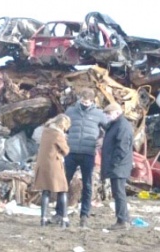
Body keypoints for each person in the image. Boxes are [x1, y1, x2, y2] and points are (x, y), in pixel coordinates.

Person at [54, 88, 106, 227]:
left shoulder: (99, 114)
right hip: (71, 152)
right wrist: (62, 136)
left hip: (88, 153)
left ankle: (84, 215)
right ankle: (59, 212)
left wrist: (101, 141)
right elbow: (61, 126)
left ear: (92, 101)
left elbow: (109, 129)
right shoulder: (71, 111)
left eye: (87, 102)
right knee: (64, 182)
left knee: (87, 185)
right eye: (82, 101)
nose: (84, 103)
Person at [33, 114, 72, 228]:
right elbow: (66, 151)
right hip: (54, 165)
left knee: (46, 191)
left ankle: (43, 219)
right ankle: (64, 218)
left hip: (42, 164)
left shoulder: (46, 131)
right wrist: (65, 140)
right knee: (62, 190)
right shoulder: (58, 135)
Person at [101, 102, 134, 230]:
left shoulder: (122, 125)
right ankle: (125, 218)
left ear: (117, 113)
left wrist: (114, 163)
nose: (107, 116)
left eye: (108, 114)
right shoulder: (117, 124)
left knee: (119, 193)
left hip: (119, 165)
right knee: (119, 192)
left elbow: (122, 147)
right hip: (119, 165)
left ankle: (122, 221)